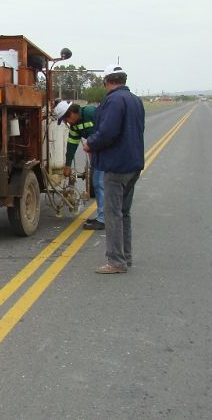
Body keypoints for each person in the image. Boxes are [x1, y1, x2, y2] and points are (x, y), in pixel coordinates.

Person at [83, 66, 145, 274]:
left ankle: (116, 261)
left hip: (116, 166)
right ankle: (125, 256)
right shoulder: (135, 100)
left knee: (112, 213)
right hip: (133, 164)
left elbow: (108, 132)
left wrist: (90, 143)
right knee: (124, 213)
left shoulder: (113, 101)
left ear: (107, 81)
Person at [53, 100, 105, 230]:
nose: (66, 123)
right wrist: (67, 165)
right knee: (99, 183)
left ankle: (103, 219)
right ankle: (104, 216)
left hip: (107, 152)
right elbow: (72, 144)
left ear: (71, 113)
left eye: (66, 119)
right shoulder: (75, 126)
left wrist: (91, 144)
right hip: (97, 153)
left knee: (100, 183)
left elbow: (105, 132)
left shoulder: (91, 113)